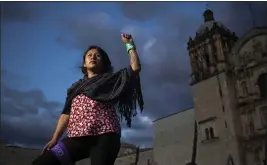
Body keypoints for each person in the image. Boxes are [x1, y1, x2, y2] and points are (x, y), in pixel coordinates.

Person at [32, 33, 144, 165]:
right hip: (78, 138)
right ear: (84, 63)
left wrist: (129, 45)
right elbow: (66, 114)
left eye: (97, 55)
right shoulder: (75, 88)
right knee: (42, 162)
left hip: (106, 136)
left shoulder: (111, 80)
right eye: (89, 55)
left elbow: (135, 68)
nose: (93, 57)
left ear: (103, 63)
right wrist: (55, 138)